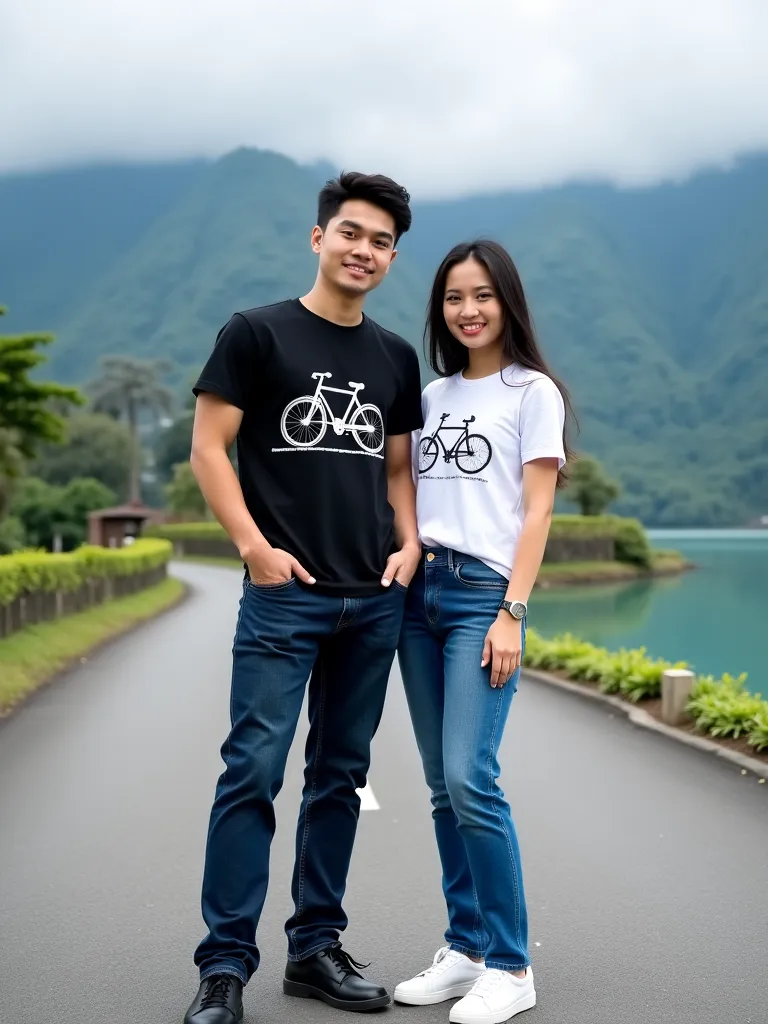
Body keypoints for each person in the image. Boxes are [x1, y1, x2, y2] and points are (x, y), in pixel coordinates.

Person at [183, 172, 423, 1024]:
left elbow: (397, 466)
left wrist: (410, 542)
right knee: (252, 769)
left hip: (373, 599)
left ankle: (315, 948)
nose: (366, 250)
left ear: (394, 256)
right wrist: (252, 548)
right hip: (285, 598)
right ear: (318, 238)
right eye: (352, 233)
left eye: (383, 241)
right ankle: (224, 966)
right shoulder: (255, 334)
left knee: (339, 778)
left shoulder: (395, 356)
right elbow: (210, 450)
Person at [394, 240, 573, 1024]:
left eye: (483, 295)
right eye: (454, 296)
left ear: (508, 301)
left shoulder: (533, 393)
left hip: (482, 597)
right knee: (441, 786)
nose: (468, 309)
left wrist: (513, 611)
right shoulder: (431, 396)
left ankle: (511, 963)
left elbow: (536, 512)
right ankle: (465, 947)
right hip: (419, 597)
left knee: (472, 777)